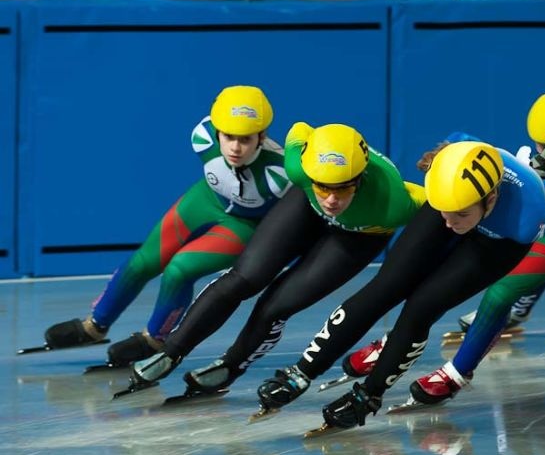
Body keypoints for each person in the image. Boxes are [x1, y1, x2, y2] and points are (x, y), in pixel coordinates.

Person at [254, 138, 545, 429]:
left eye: (459, 215)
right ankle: (301, 373)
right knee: (384, 288)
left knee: (421, 308)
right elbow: (454, 178)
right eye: (445, 214)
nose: (450, 223)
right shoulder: (445, 187)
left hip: (498, 240)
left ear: (490, 200)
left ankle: (370, 394)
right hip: (456, 194)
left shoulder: (529, 219)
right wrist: (451, 209)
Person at [126, 122, 425, 394]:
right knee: (243, 278)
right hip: (305, 208)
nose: (332, 199)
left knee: (278, 304)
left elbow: (435, 206)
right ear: (310, 175)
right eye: (323, 187)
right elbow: (299, 129)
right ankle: (173, 350)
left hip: (360, 234)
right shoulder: (298, 167)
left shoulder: (393, 203)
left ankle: (233, 364)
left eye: (342, 188)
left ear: (359, 180)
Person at [42, 86, 290, 366]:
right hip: (205, 199)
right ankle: (94, 326)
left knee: (179, 270)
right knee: (143, 261)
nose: (235, 147)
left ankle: (155, 339)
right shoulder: (202, 137)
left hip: (246, 225)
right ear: (216, 131)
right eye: (228, 136)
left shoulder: (280, 174)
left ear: (262, 136)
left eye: (245, 139)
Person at [406, 115, 545, 404]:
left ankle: (457, 374)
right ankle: (399, 338)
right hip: (532, 217)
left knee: (502, 292)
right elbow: (475, 149)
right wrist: (446, 151)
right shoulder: (532, 167)